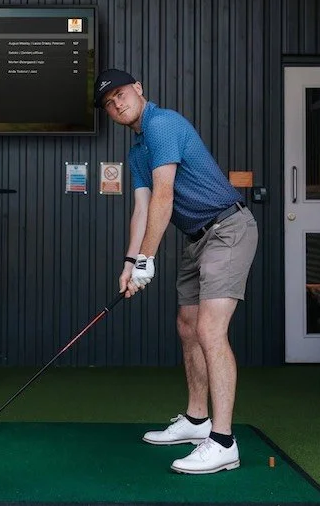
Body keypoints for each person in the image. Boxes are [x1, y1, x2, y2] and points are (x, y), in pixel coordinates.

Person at [94, 68, 258, 475]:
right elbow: (143, 209)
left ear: (138, 88)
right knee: (187, 326)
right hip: (196, 239)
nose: (117, 104)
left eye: (120, 94)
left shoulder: (162, 123)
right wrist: (131, 263)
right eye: (108, 103)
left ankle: (223, 442)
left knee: (209, 330)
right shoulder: (137, 152)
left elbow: (164, 196)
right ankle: (197, 421)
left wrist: (148, 259)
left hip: (228, 229)